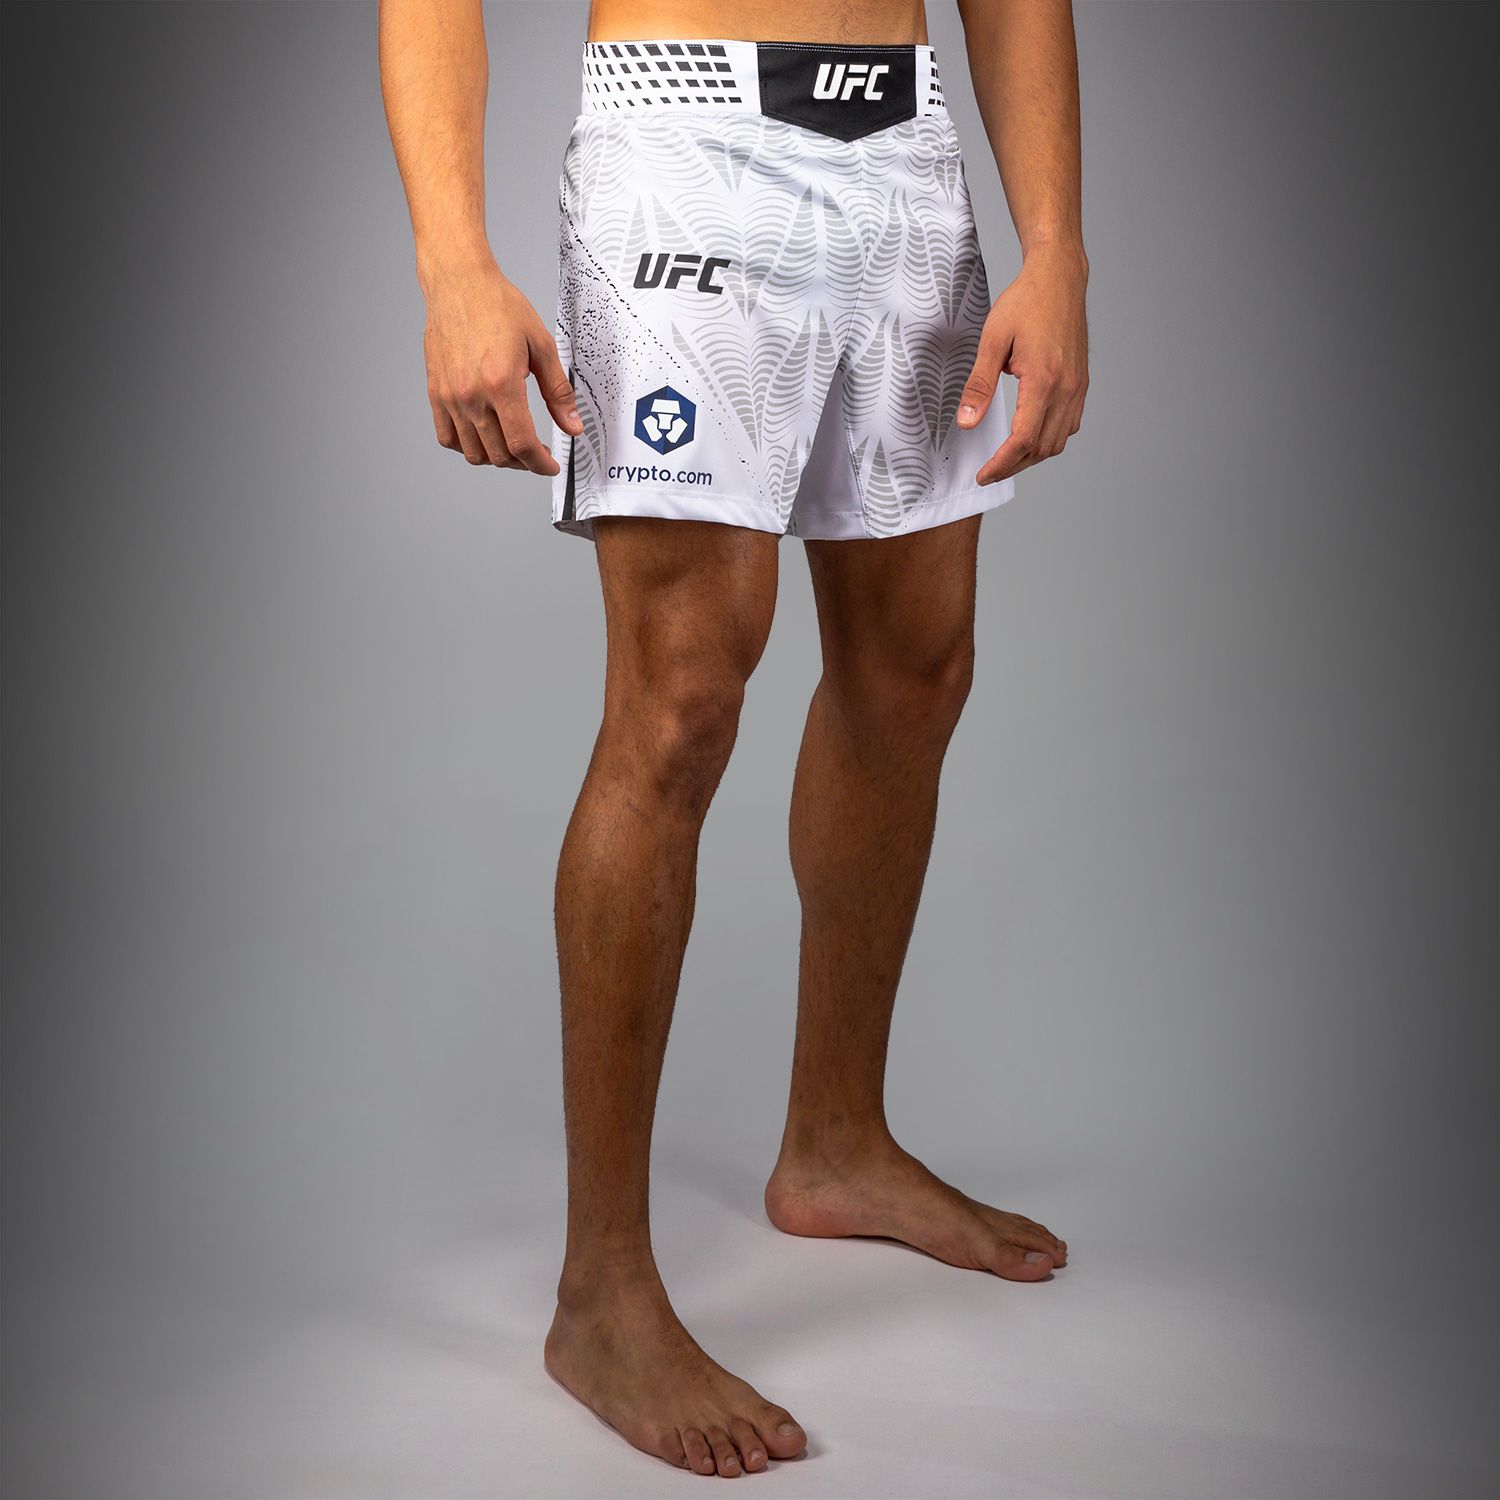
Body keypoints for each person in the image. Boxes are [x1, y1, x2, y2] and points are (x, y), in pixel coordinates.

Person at [380, 0, 1088, 1477]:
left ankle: (838, 1141)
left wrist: (1058, 241)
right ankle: (601, 1291)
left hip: (905, 151)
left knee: (916, 671)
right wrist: (453, 261)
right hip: (683, 142)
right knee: (682, 700)